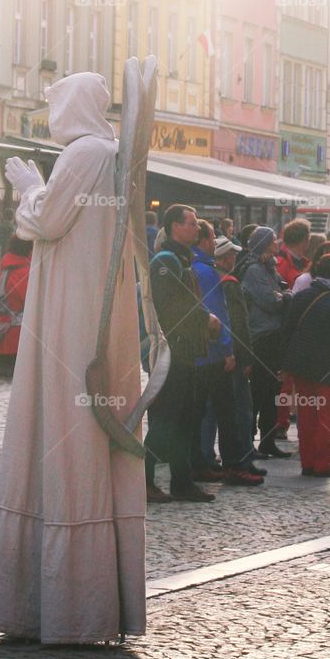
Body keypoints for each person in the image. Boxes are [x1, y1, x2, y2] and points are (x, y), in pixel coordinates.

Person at [0, 71, 146, 644]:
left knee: (62, 430)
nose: (51, 117)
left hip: (71, 316)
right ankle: (81, 598)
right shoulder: (107, 152)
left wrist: (28, 187)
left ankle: (66, 603)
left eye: (55, 105)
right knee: (78, 435)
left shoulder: (84, 152)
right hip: (89, 309)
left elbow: (44, 221)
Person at [147, 204, 220, 504]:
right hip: (173, 350)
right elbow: (171, 306)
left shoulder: (181, 259)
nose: (197, 228)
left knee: (185, 418)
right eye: (191, 223)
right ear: (175, 227)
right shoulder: (166, 261)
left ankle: (182, 481)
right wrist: (205, 319)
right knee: (166, 419)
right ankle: (145, 480)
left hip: (188, 349)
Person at [190, 220, 262, 488]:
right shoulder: (210, 274)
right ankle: (235, 465)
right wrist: (229, 350)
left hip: (198, 353)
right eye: (210, 239)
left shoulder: (192, 268)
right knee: (229, 412)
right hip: (214, 355)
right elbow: (219, 318)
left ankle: (202, 462)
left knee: (204, 412)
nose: (212, 243)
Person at [281, 254, 330, 477]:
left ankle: (307, 462)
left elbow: (287, 332)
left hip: (302, 368)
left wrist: (285, 365)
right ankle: (322, 463)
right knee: (327, 418)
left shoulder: (301, 297)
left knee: (306, 416)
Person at [241, 226, 292, 459]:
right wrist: (285, 296)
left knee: (273, 389)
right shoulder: (254, 270)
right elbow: (271, 301)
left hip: (273, 335)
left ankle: (268, 439)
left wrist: (283, 295)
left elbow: (281, 292)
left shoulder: (269, 267)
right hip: (261, 336)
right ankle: (248, 442)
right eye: (273, 239)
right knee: (259, 390)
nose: (277, 242)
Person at [214, 234, 262, 477]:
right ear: (224, 258)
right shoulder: (230, 283)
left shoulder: (213, 279)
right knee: (241, 409)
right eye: (231, 254)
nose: (235, 257)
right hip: (236, 354)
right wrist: (246, 357)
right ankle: (242, 459)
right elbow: (239, 323)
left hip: (220, 354)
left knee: (222, 410)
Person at [273, 219, 312, 437]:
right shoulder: (282, 262)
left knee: (298, 379)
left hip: (301, 327)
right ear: (304, 240)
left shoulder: (303, 262)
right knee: (285, 380)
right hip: (286, 326)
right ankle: (280, 422)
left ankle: (291, 417)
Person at [0, 236, 33, 379]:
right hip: (18, 340)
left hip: (4, 336)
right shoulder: (23, 272)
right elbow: (30, 302)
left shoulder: (3, 271)